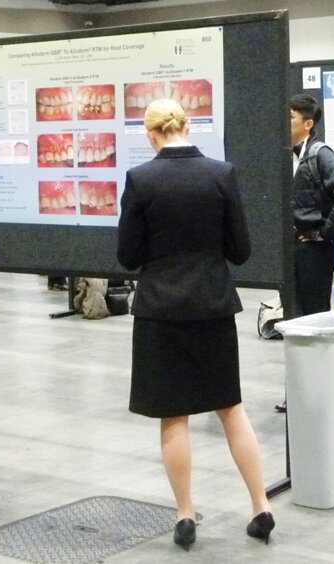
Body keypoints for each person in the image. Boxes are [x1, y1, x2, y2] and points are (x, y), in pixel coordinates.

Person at [117, 99, 273, 551]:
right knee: (230, 408)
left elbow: (127, 255)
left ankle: (185, 515)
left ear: (151, 134)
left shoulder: (140, 180)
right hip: (213, 305)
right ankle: (261, 506)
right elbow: (240, 249)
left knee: (173, 416)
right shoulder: (221, 174)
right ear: (187, 126)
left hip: (161, 310)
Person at [289, 94, 334, 316]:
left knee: (315, 312)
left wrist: (324, 232)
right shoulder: (285, 154)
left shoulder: (320, 154)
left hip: (315, 250)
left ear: (308, 124)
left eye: (290, 117)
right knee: (294, 312)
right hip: (292, 247)